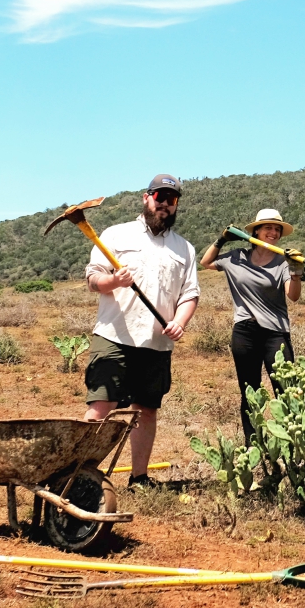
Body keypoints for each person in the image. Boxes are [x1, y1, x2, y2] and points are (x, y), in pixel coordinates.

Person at [83, 173, 200, 489]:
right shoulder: (116, 235)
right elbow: (94, 278)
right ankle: (77, 475)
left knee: (146, 411)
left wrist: (180, 321)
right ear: (146, 198)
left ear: (176, 206)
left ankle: (139, 478)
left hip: (157, 343)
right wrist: (113, 282)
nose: (164, 203)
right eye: (159, 196)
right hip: (114, 336)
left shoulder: (185, 249)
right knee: (101, 407)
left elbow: (190, 294)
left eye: (171, 199)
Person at [200, 209, 303, 441]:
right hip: (245, 331)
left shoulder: (282, 262)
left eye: (277, 229)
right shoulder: (236, 257)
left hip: (275, 333)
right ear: (256, 231)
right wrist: (222, 240)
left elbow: (293, 296)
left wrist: (296, 272)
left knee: (286, 389)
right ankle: (253, 443)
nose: (273, 232)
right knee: (249, 391)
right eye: (268, 228)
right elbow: (206, 262)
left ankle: (293, 443)